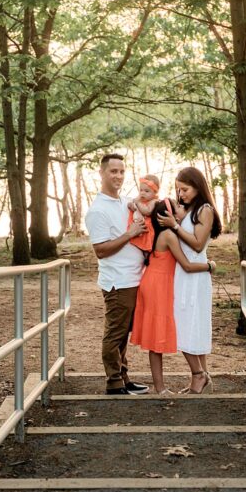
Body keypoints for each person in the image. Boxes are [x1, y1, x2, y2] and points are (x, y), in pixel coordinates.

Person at [131, 199, 217, 395]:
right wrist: (209, 266)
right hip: (157, 286)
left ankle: (199, 376)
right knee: (156, 337)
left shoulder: (163, 233)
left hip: (156, 283)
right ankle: (162, 388)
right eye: (177, 207)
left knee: (156, 334)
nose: (182, 209)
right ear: (165, 216)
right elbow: (186, 265)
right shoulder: (169, 235)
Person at [85, 153, 150, 395]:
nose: (118, 176)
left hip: (134, 278)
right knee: (115, 333)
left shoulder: (123, 202)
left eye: (122, 171)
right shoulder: (97, 210)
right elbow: (101, 250)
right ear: (101, 173)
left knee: (123, 332)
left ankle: (123, 377)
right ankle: (113, 382)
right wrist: (130, 233)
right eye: (113, 171)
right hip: (117, 282)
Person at [156, 166, 222, 394]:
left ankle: (198, 375)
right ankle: (203, 375)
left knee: (186, 326)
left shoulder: (205, 210)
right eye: (178, 190)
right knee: (189, 325)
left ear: (197, 186)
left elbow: (197, 243)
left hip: (195, 276)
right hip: (183, 275)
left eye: (184, 189)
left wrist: (174, 226)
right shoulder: (188, 209)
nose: (180, 194)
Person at [126, 175, 160, 255]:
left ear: (155, 192)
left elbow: (147, 212)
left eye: (146, 191)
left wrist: (137, 203)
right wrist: (130, 204)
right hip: (137, 228)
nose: (142, 193)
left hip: (147, 229)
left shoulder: (154, 201)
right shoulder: (140, 199)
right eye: (141, 190)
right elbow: (133, 203)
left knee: (147, 251)